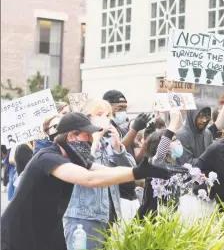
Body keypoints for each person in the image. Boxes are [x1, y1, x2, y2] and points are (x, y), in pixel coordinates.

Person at [1, 112, 173, 250]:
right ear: (71, 137)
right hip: (17, 235)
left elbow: (107, 172)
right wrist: (136, 172)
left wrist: (142, 171)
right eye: (87, 135)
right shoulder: (48, 157)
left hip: (45, 233)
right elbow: (89, 179)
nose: (92, 140)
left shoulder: (73, 158)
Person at [62, 99, 136, 250]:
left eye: (108, 114)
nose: (105, 118)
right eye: (99, 114)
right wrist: (94, 140)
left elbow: (131, 172)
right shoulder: (75, 140)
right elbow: (84, 165)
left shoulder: (108, 143)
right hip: (84, 216)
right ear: (87, 117)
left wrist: (118, 148)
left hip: (109, 215)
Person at [176, 77, 224, 165]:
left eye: (206, 116)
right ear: (192, 115)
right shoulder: (182, 135)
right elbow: (188, 163)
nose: (204, 120)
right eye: (200, 116)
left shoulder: (207, 134)